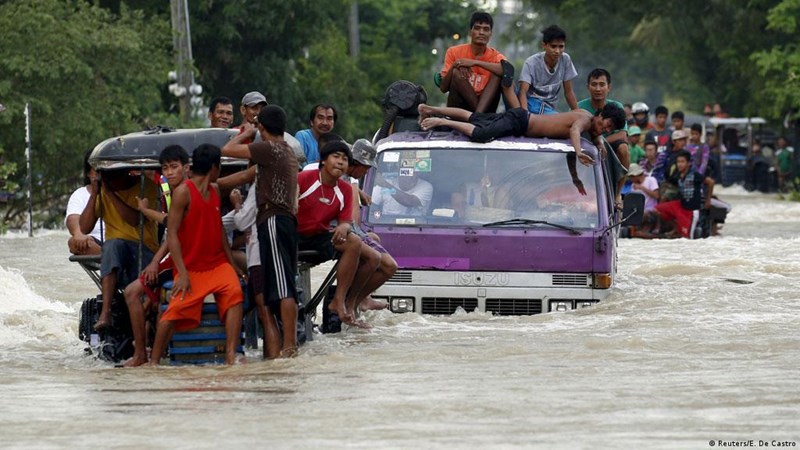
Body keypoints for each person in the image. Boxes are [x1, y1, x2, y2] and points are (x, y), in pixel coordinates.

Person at [149, 144, 244, 366]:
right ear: (214, 167)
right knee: (173, 312)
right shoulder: (184, 192)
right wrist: (181, 273)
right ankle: (153, 361)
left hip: (217, 264)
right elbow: (171, 234)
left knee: (235, 293)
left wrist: (232, 263)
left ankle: (230, 354)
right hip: (190, 267)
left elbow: (218, 227)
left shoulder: (215, 191)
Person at [222, 105, 301, 357]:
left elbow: (227, 150)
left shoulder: (269, 149)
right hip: (281, 221)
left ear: (263, 128)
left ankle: (289, 346)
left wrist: (247, 132)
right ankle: (286, 347)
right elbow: (245, 175)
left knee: (283, 287)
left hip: (274, 220)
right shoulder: (286, 151)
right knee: (280, 286)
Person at [296, 141, 382, 326]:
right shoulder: (304, 178)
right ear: (323, 161)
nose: (340, 162)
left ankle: (339, 300)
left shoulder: (345, 189)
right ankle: (354, 302)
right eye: (336, 157)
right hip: (294, 235)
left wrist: (343, 227)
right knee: (370, 252)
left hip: (319, 236)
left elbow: (346, 221)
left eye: (344, 159)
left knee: (354, 242)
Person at [417, 94, 625, 166]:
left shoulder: (590, 121)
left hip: (520, 118)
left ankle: (430, 108)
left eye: (608, 129)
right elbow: (575, 131)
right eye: (605, 124)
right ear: (599, 115)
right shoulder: (586, 120)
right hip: (521, 123)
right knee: (480, 135)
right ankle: (438, 121)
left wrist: (599, 142)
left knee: (475, 118)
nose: (604, 129)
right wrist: (579, 152)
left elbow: (596, 134)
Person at [122, 145, 189, 367]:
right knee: (138, 296)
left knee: (132, 293)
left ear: (185, 168)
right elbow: (169, 225)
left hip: (183, 257)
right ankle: (145, 352)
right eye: (166, 168)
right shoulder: (175, 190)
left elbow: (171, 231)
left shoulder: (185, 191)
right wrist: (144, 211)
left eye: (174, 167)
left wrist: (153, 263)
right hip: (174, 254)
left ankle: (144, 354)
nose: (169, 173)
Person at [80, 169, 159, 331]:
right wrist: (95, 194)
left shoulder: (147, 187)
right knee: (112, 244)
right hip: (116, 256)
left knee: (113, 244)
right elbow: (84, 227)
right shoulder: (102, 193)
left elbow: (135, 220)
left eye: (112, 176)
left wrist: (110, 194)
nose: (109, 180)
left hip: (143, 252)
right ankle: (106, 312)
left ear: (124, 173)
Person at [437, 11, 507, 113]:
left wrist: (475, 63)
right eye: (477, 28)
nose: (481, 32)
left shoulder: (496, 56)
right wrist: (456, 65)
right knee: (456, 72)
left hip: (486, 108)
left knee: (498, 73)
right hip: (460, 109)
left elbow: (507, 71)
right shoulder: (454, 52)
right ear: (470, 32)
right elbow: (443, 88)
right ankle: (478, 116)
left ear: (490, 34)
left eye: (486, 29)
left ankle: (478, 115)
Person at [648, 150, 714, 239]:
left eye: (682, 162)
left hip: (691, 211)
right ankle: (676, 228)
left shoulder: (694, 175)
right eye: (678, 162)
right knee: (657, 210)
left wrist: (708, 200)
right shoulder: (678, 175)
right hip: (680, 207)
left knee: (686, 238)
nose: (679, 164)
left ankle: (680, 229)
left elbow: (710, 182)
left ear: (688, 163)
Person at [517, 24, 578, 114]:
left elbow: (568, 92)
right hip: (531, 104)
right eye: (553, 46)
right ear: (544, 45)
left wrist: (577, 113)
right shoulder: (531, 62)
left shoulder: (565, 59)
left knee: (582, 115)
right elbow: (523, 92)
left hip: (549, 108)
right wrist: (525, 116)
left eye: (561, 47)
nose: (557, 51)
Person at [66, 150, 103, 256]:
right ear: (88, 173)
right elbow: (72, 218)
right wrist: (78, 234)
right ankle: (109, 258)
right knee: (73, 242)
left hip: (118, 241)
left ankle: (110, 258)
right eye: (96, 170)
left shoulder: (119, 191)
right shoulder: (80, 194)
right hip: (93, 242)